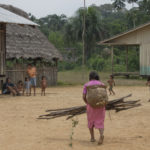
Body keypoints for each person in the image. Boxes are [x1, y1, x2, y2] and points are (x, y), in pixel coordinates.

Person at [83, 71, 106, 145]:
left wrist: (87, 103)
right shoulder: (102, 84)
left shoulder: (86, 85)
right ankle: (101, 135)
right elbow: (104, 96)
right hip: (101, 105)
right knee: (100, 121)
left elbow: (84, 96)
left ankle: (92, 138)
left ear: (90, 77)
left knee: (91, 121)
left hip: (91, 106)